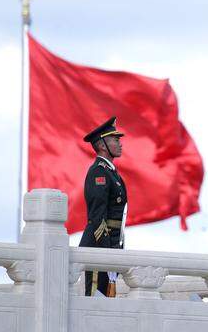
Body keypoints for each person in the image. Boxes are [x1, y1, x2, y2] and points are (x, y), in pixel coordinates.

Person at [79, 116, 127, 297]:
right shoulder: (99, 172)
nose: (120, 144)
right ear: (101, 145)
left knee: (107, 297)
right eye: (115, 140)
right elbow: (97, 215)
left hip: (112, 243)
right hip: (100, 245)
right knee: (96, 296)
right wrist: (107, 247)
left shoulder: (111, 172)